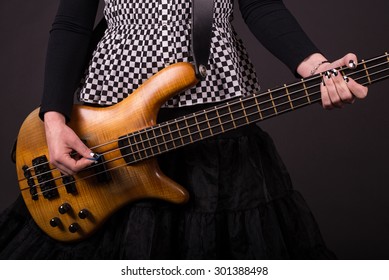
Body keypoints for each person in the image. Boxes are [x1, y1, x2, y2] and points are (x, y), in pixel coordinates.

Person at [0, 0, 367, 259]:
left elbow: (261, 4)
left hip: (215, 116)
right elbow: (73, 22)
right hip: (110, 122)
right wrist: (54, 117)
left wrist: (318, 67)